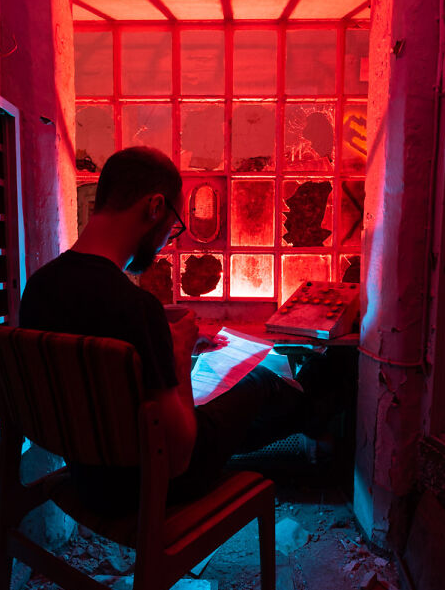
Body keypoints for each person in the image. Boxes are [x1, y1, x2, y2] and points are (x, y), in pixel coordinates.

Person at [19, 146, 331, 512]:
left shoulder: (38, 288)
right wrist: (178, 356)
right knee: (259, 383)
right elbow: (179, 455)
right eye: (173, 226)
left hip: (86, 476)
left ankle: (314, 411)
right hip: (156, 483)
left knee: (241, 405)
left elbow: (93, 339)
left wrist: (156, 336)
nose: (169, 236)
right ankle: (320, 412)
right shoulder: (135, 308)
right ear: (155, 207)